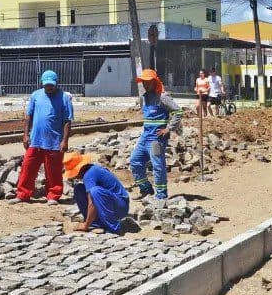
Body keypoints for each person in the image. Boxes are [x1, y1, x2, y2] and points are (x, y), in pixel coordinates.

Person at [13, 70, 73, 205]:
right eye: (46, 85)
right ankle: (23, 194)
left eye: (51, 85)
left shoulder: (64, 98)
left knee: (53, 171)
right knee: (27, 167)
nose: (49, 88)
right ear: (42, 84)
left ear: (56, 83)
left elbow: (67, 121)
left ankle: (53, 195)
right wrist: (25, 135)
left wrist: (64, 140)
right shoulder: (36, 95)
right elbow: (29, 116)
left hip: (54, 141)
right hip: (35, 140)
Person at [130, 68, 183, 200]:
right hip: (145, 136)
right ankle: (146, 189)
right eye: (143, 82)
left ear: (154, 82)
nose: (144, 84)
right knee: (135, 161)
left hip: (156, 138)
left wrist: (169, 128)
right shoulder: (144, 98)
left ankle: (161, 195)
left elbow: (178, 112)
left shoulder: (163, 97)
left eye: (147, 82)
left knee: (158, 166)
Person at [63, 152, 131, 233]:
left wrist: (85, 225)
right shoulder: (90, 170)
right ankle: (95, 223)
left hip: (120, 206)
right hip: (114, 203)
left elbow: (92, 202)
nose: (74, 176)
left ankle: (114, 228)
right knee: (79, 189)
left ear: (80, 169)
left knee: (95, 192)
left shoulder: (90, 175)